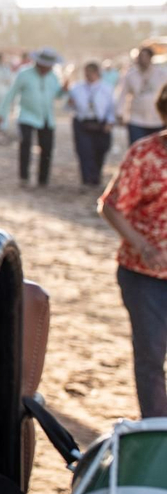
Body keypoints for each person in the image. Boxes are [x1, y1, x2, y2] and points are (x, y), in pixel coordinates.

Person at [101, 84, 167, 418]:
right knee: (152, 356)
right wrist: (141, 246)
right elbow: (111, 206)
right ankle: (158, 431)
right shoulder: (145, 154)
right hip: (145, 275)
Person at [0, 47, 65, 187]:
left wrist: (64, 91)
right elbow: (11, 93)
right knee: (25, 145)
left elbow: (57, 95)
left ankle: (43, 180)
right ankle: (24, 177)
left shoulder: (53, 77)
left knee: (47, 149)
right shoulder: (24, 74)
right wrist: (2, 113)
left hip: (46, 117)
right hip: (27, 115)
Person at [69, 60, 117, 187]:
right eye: (87, 72)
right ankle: (86, 179)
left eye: (91, 72)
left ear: (97, 73)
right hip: (82, 122)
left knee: (100, 150)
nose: (88, 75)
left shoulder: (107, 88)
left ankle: (96, 177)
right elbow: (69, 107)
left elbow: (112, 107)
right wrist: (70, 104)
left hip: (100, 123)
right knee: (84, 151)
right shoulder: (76, 88)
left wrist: (110, 122)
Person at [120, 46, 167, 144]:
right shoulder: (130, 75)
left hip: (157, 119)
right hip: (136, 120)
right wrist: (120, 113)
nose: (142, 59)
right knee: (137, 147)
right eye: (140, 56)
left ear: (150, 57)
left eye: (145, 56)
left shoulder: (161, 74)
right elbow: (123, 94)